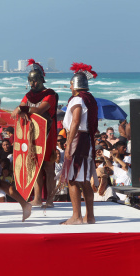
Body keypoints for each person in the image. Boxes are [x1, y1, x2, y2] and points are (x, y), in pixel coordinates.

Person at [11, 58, 58, 208]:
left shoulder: (50, 95)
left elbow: (38, 110)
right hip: (32, 137)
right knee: (35, 167)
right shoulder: (29, 95)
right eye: (31, 81)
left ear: (41, 79)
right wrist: (21, 109)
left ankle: (50, 200)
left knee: (48, 168)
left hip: (48, 135)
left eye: (35, 81)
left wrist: (24, 109)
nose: (33, 84)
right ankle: (37, 198)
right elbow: (15, 112)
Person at [59, 62, 99, 225]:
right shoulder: (90, 99)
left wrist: (68, 144)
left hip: (78, 139)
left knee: (73, 179)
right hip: (86, 140)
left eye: (70, 84)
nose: (69, 87)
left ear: (74, 85)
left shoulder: (77, 99)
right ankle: (89, 216)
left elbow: (75, 122)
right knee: (83, 180)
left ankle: (76, 216)